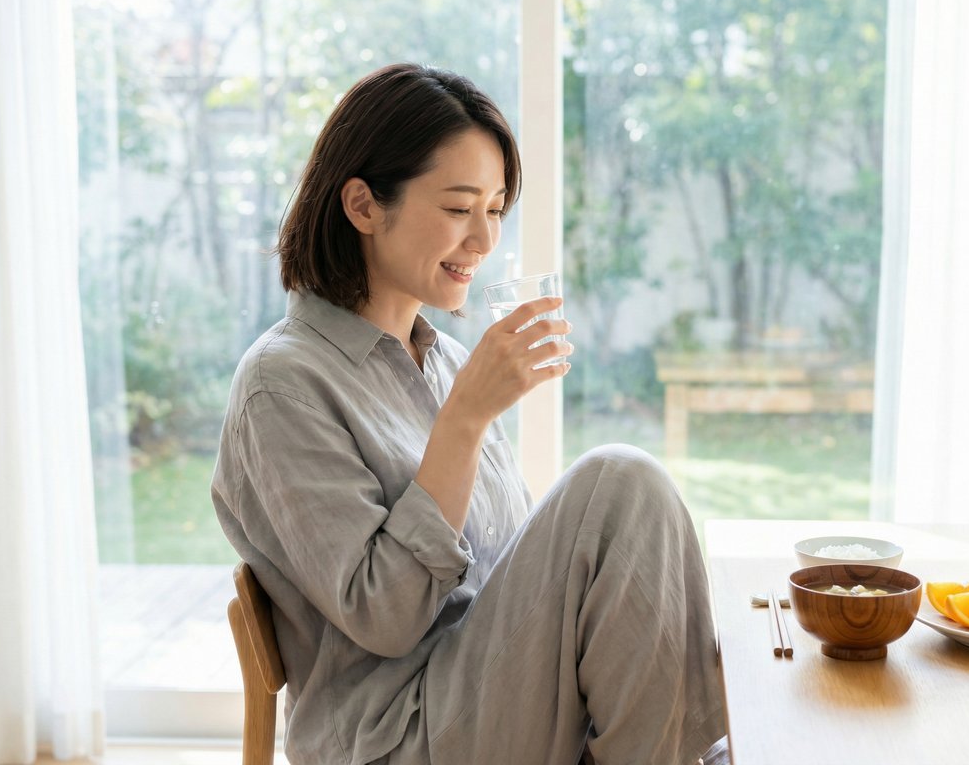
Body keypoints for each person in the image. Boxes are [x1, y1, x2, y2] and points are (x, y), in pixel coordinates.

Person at [211, 62, 727, 765]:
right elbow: (385, 618)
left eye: (495, 210)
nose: (484, 243)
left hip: (498, 705)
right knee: (619, 480)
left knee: (629, 518)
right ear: (362, 206)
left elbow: (505, 574)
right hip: (399, 734)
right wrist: (463, 420)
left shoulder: (447, 361)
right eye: (459, 209)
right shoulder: (283, 385)